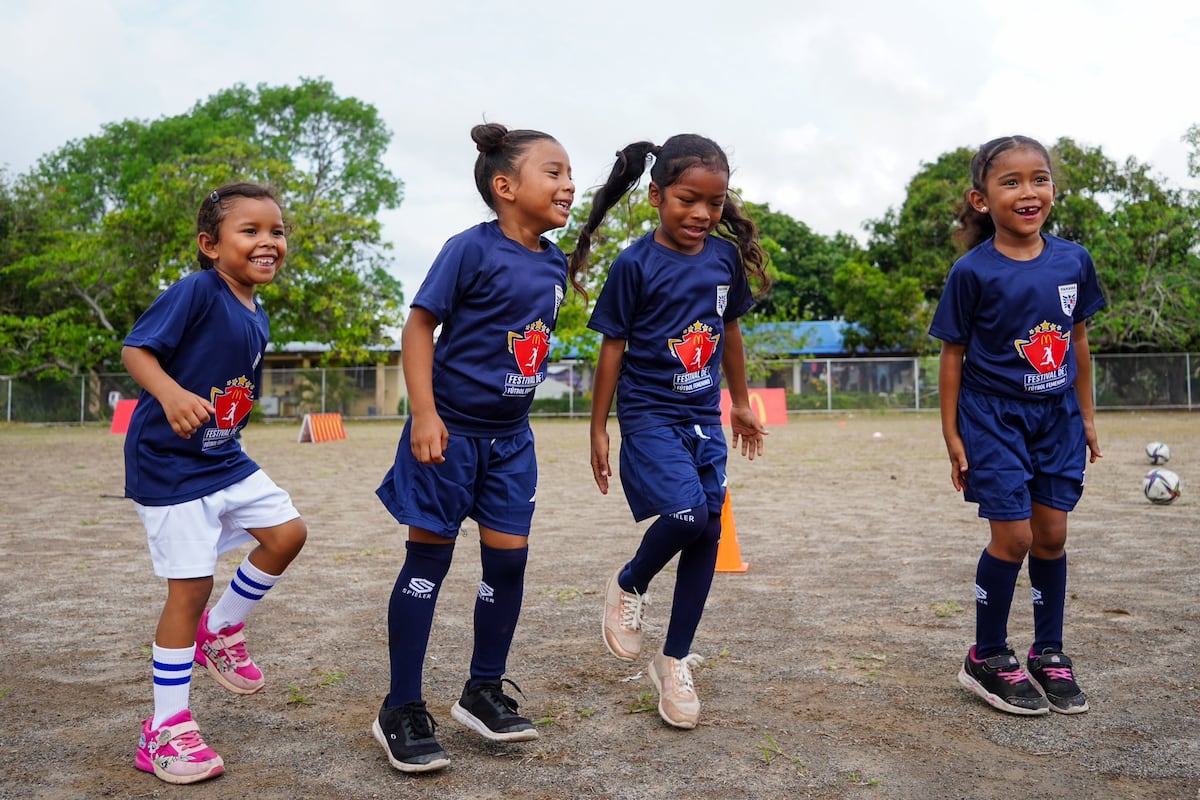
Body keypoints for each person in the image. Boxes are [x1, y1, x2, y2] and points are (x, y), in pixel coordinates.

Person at [372, 123, 574, 773]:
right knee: (428, 563)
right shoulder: (468, 250)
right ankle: (399, 707)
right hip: (449, 436)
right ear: (505, 185)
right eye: (554, 171)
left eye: (570, 173)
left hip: (512, 442)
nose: (569, 184)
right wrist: (424, 415)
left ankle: (482, 690)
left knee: (507, 566)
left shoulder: (553, 260)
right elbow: (418, 326)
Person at [568, 134, 770, 730]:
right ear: (656, 196)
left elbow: (729, 332)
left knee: (709, 526)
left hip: (704, 415)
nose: (702, 214)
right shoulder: (635, 263)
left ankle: (674, 659)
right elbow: (612, 349)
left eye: (715, 201)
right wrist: (598, 428)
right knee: (685, 516)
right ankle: (629, 582)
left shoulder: (723, 260)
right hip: (650, 413)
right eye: (688, 200)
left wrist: (739, 403)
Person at [123, 182, 308, 784]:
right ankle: (166, 730)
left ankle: (223, 629)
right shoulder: (197, 291)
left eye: (275, 231)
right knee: (189, 587)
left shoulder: (258, 312)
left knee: (286, 534)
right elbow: (137, 352)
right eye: (249, 231)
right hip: (170, 464)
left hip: (224, 457)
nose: (267, 242)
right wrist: (172, 395)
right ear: (210, 245)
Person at [929, 135, 1106, 716]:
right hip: (992, 417)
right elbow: (951, 354)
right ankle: (987, 655)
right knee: (1015, 537)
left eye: (1039, 178)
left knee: (1052, 535)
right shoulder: (972, 271)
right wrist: (953, 434)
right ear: (980, 199)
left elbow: (1077, 341)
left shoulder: (1073, 261)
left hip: (1056, 418)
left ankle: (1048, 651)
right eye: (1011, 182)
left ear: (1052, 188)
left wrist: (1085, 415)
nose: (1028, 192)